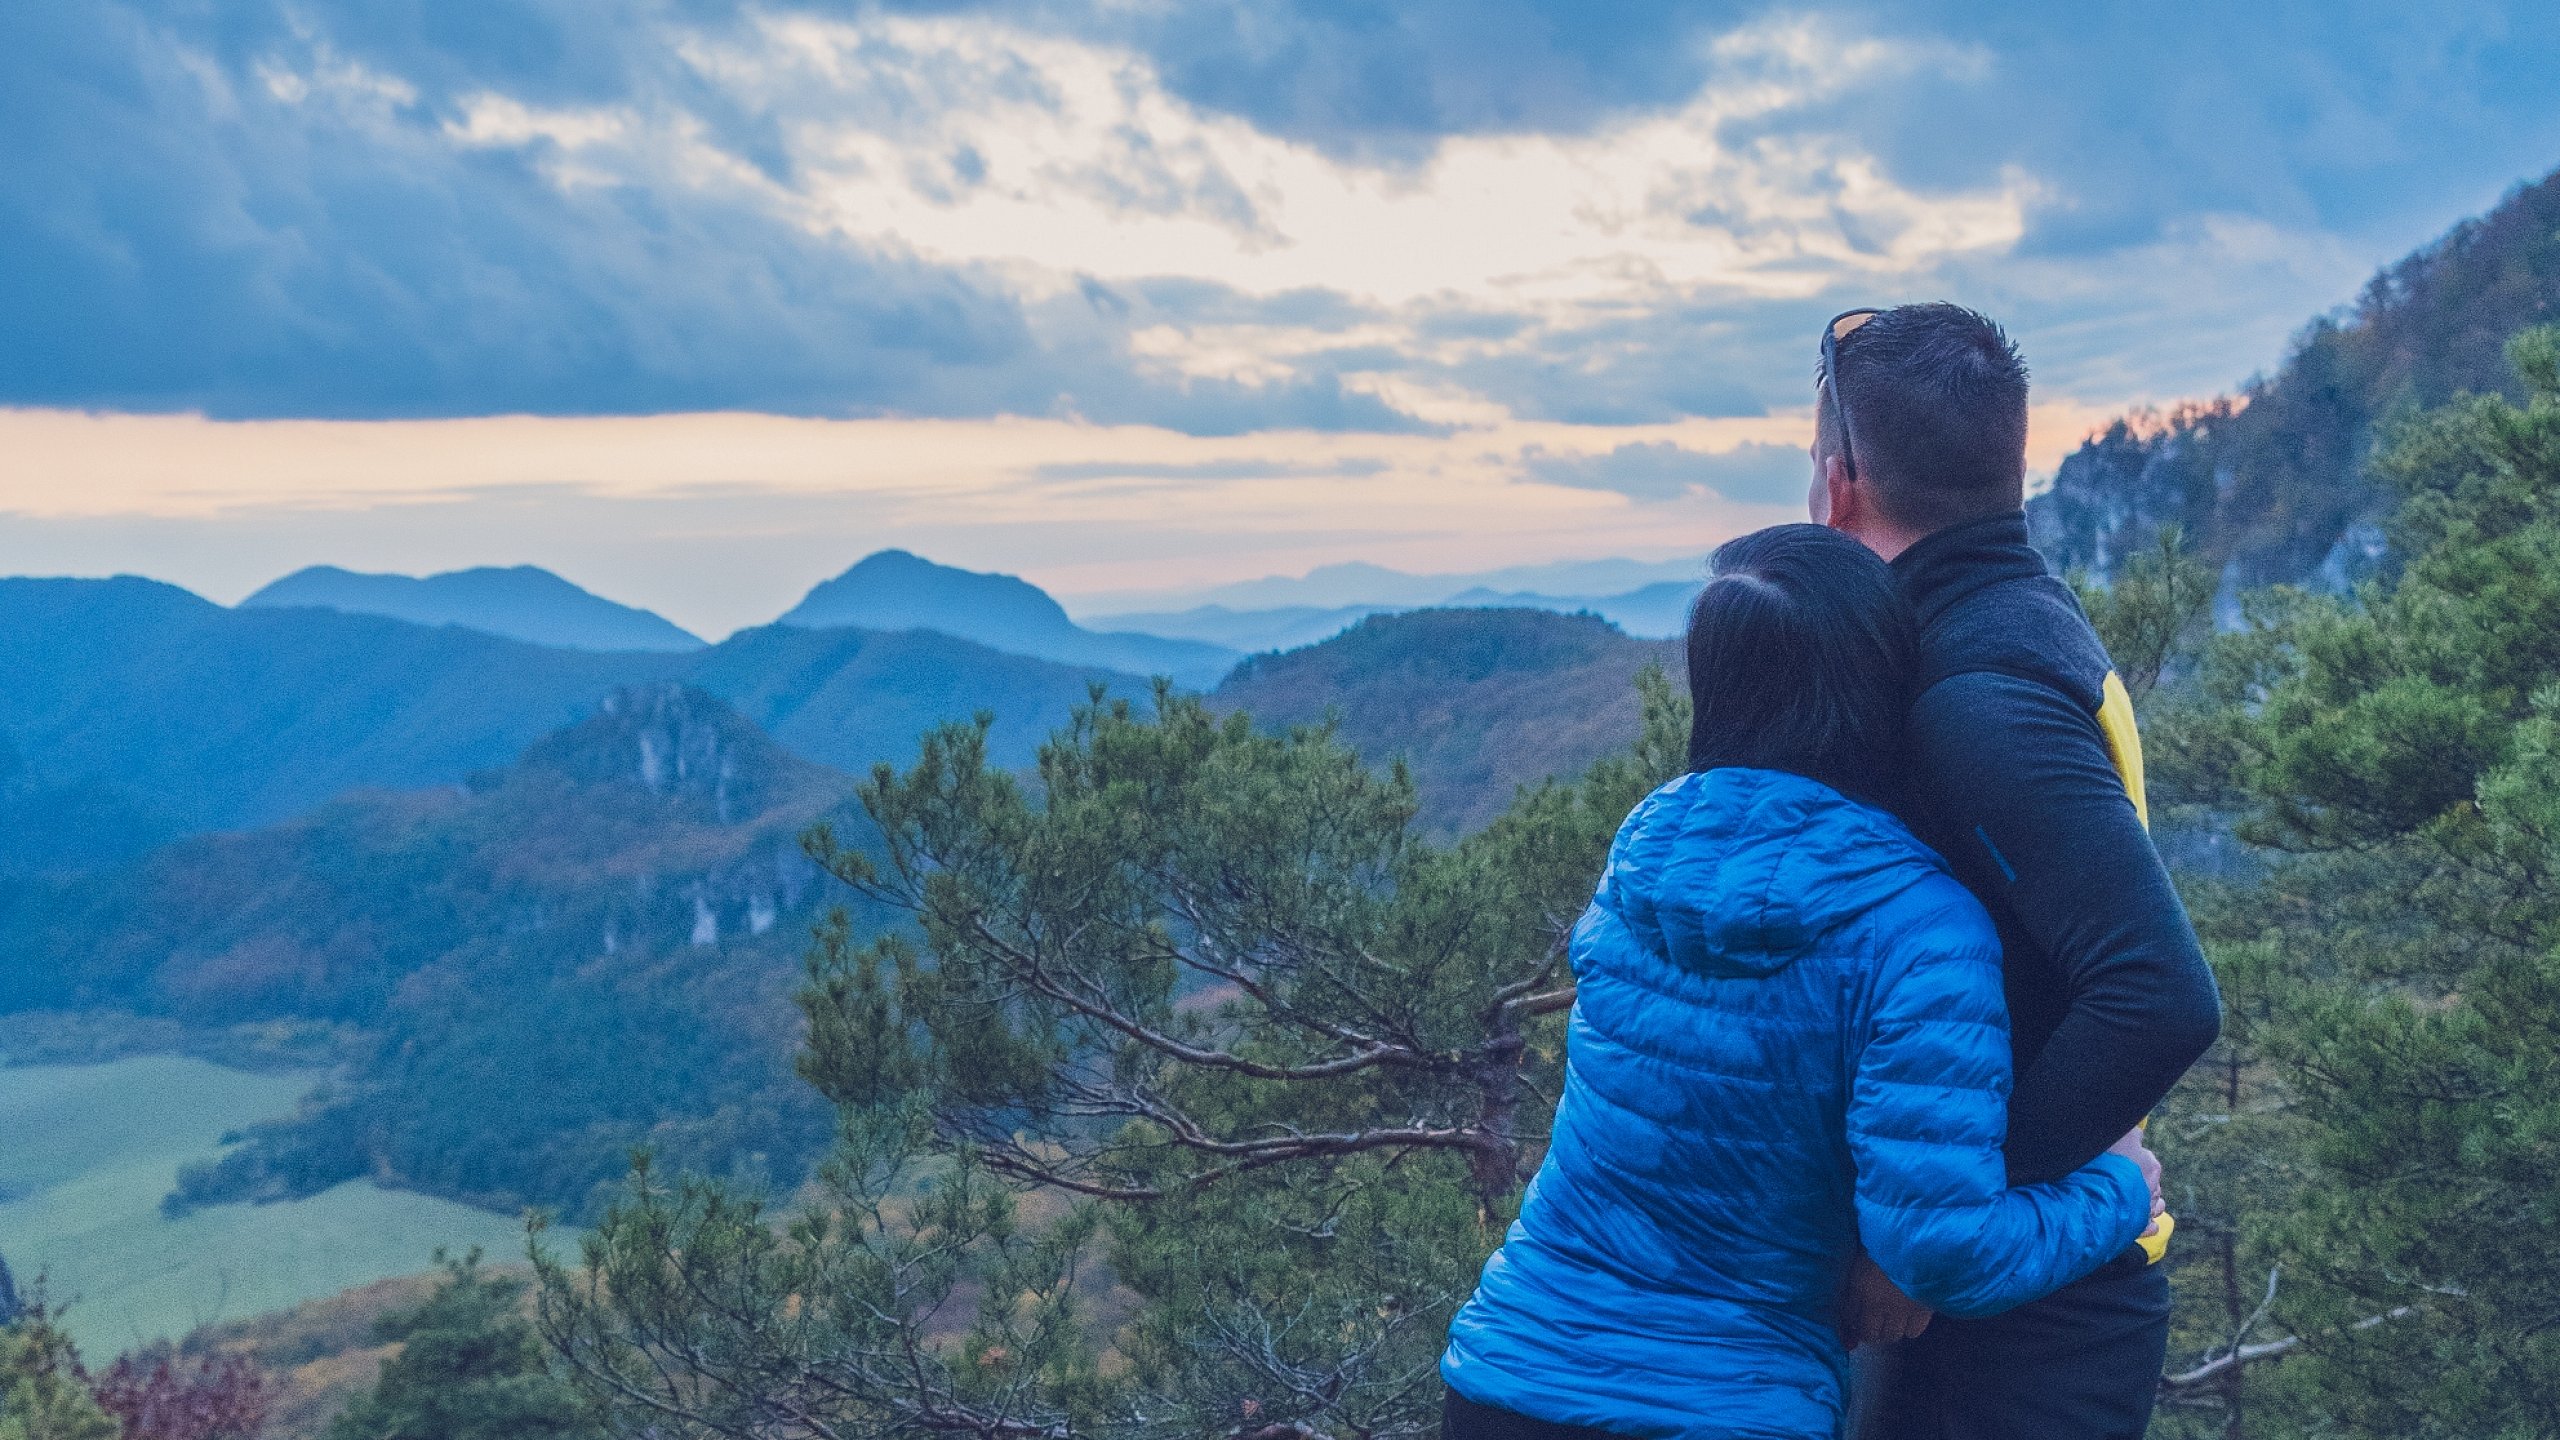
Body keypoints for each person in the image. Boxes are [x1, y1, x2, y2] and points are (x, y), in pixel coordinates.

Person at [1438, 524, 2165, 1440]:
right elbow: (1941, 1253)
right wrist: (2118, 1189)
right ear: (1882, 691)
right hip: (1718, 1410)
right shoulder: (1918, 929)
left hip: (1504, 1376)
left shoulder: (1643, 854)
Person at [1808, 304, 2224, 1439]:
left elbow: (2159, 996)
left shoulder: (1973, 689)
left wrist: (1932, 1237)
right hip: (2012, 1288)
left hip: (2029, 1316)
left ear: (1836, 485)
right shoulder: (2003, 617)